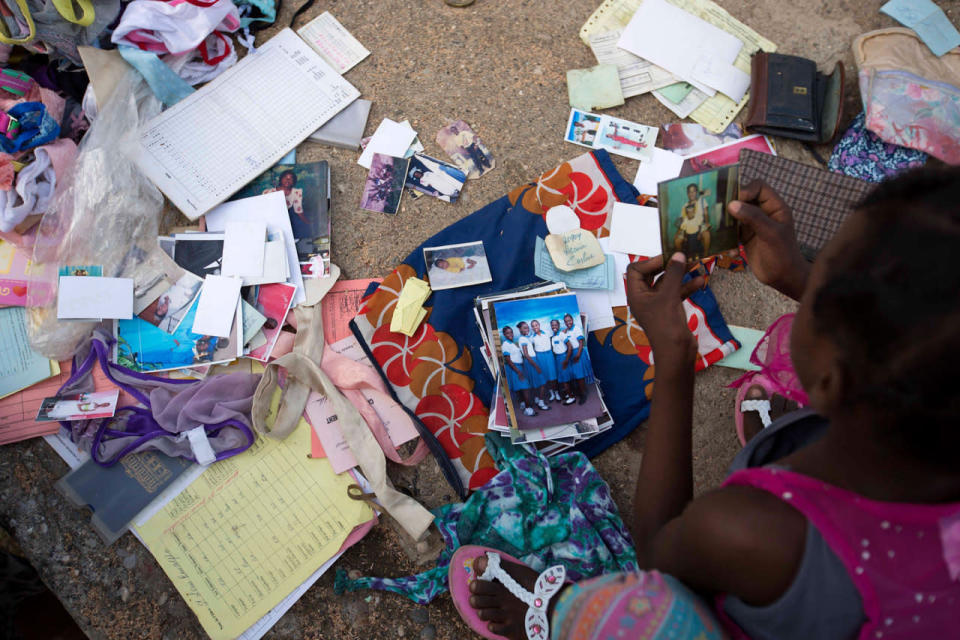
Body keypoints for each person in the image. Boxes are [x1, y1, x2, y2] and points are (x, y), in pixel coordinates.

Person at [458, 168, 960, 640]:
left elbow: (660, 561)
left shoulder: (751, 531)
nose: (807, 274)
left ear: (833, 380)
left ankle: (551, 611)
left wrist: (672, 358)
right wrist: (797, 277)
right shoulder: (939, 416)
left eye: (820, 273)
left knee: (630, 606)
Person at [263, 170, 311, 239]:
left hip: (286, 220)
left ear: (293, 181)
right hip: (271, 220)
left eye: (291, 178)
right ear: (281, 179)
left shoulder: (296, 192)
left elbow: (299, 212)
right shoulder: (268, 192)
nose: (288, 180)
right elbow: (264, 211)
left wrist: (309, 224)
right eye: (285, 177)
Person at [500, 326, 536, 417]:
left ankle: (523, 403)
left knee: (520, 388)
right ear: (504, 334)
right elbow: (508, 360)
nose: (510, 334)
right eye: (508, 333)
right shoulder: (505, 345)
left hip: (518, 367)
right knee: (525, 387)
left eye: (511, 332)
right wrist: (518, 371)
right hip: (515, 368)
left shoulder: (512, 344)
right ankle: (528, 409)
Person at [673, 183, 712, 259]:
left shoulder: (701, 201)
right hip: (688, 225)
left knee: (707, 235)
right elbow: (683, 220)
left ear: (696, 192)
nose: (692, 194)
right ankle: (682, 258)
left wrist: (707, 223)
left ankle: (705, 256)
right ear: (687, 194)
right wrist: (678, 232)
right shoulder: (685, 205)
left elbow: (706, 213)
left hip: (700, 224)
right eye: (690, 192)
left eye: (694, 191)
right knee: (677, 240)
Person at [517, 321, 549, 412]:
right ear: (520, 329)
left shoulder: (525, 338)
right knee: (542, 383)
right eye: (524, 328)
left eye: (527, 327)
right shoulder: (522, 339)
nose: (527, 329)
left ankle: (537, 399)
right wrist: (536, 366)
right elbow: (526, 354)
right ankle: (541, 403)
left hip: (530, 361)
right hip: (531, 362)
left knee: (535, 382)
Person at [561, 313, 591, 405]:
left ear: (572, 320)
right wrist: (565, 330)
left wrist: (578, 355)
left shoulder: (576, 328)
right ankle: (580, 391)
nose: (568, 322)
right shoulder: (567, 330)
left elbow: (581, 343)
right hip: (572, 354)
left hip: (578, 353)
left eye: (569, 320)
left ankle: (583, 395)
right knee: (576, 375)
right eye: (566, 321)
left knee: (579, 376)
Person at [529, 320, 560, 404]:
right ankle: (551, 393)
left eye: (536, 325)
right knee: (545, 376)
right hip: (540, 357)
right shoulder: (532, 338)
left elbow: (556, 333)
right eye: (533, 326)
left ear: (539, 325)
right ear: (532, 328)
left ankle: (557, 392)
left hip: (549, 355)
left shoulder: (547, 332)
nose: (535, 327)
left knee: (552, 375)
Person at [550, 319, 576, 405]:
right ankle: (570, 394)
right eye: (552, 325)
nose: (554, 327)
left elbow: (570, 347)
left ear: (559, 326)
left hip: (563, 358)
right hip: (558, 358)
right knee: (563, 378)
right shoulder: (553, 337)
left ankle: (572, 398)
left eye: (555, 325)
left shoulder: (561, 334)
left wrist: (566, 360)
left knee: (565, 379)